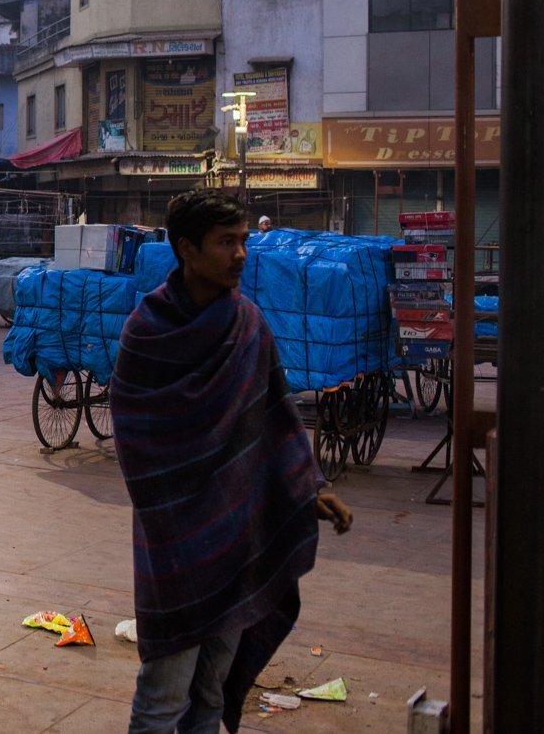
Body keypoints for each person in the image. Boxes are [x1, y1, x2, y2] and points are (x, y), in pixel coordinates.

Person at [112, 190, 351, 734]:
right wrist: (184, 507)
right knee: (162, 698)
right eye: (226, 243)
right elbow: (137, 443)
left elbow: (276, 417)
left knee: (210, 694)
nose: (241, 253)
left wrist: (309, 489)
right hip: (174, 546)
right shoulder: (147, 334)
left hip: (239, 540)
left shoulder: (248, 324)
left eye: (243, 240)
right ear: (186, 249)